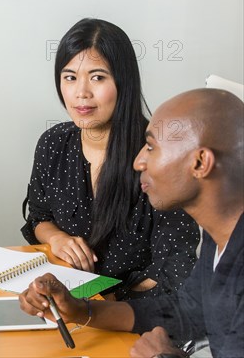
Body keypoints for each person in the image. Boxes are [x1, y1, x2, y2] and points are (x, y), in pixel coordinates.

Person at [20, 88, 244, 357]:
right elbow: (188, 310)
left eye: (150, 147)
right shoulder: (221, 237)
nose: (138, 162)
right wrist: (81, 310)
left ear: (200, 162)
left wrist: (163, 356)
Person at [21, 18, 200, 299]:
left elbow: (173, 268)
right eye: (70, 77)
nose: (81, 93)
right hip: (68, 301)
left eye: (97, 77)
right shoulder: (53, 143)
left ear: (123, 82)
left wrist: (102, 308)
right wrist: (57, 238)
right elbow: (39, 218)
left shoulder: (160, 155)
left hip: (134, 316)